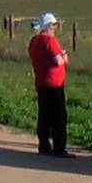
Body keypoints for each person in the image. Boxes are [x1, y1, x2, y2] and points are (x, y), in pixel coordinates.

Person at [28, 11, 71, 157]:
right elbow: (58, 61)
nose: (56, 28)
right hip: (54, 84)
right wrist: (64, 57)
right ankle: (59, 148)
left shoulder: (34, 41)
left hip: (41, 82)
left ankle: (44, 145)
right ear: (49, 26)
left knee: (44, 115)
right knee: (59, 117)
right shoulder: (49, 41)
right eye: (54, 25)